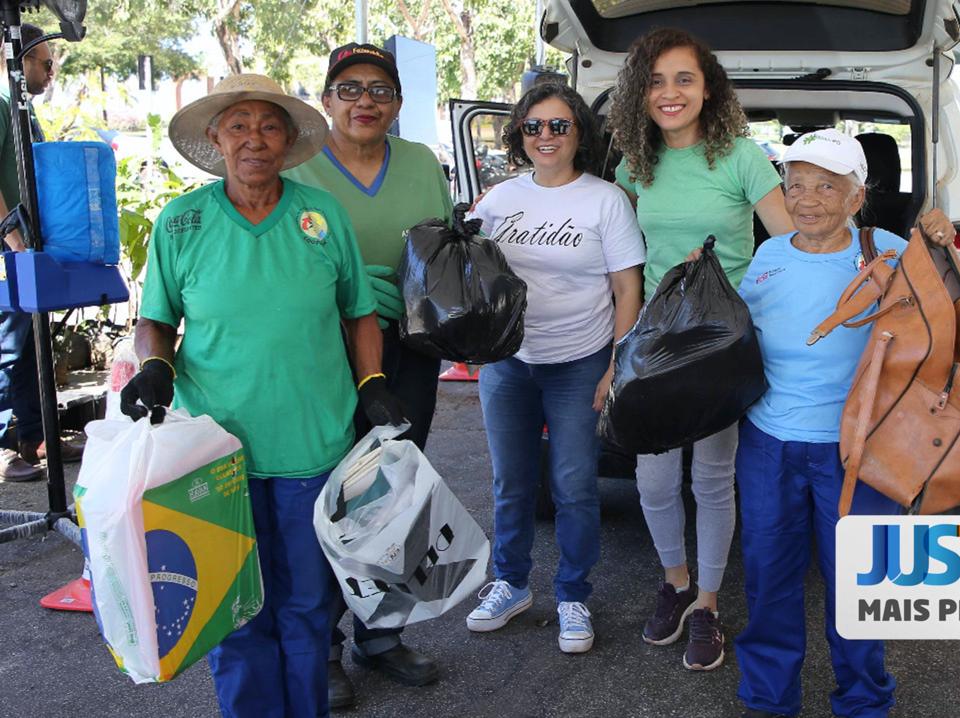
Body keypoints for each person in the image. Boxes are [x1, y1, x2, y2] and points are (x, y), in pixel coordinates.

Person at [120, 73, 402, 717]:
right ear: (216, 137)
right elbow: (155, 318)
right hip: (214, 455)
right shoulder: (181, 221)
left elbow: (359, 311)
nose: (255, 139)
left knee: (307, 605)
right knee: (234, 608)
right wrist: (155, 366)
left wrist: (372, 382)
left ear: (288, 140)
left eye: (270, 126)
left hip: (313, 443)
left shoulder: (321, 215)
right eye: (239, 126)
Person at [733, 129, 955, 718]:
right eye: (795, 185)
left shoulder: (888, 251)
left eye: (826, 187)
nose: (806, 199)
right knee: (768, 577)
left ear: (857, 197)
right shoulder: (769, 254)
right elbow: (739, 332)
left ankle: (863, 701)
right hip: (769, 441)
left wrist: (942, 245)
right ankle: (769, 699)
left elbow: (952, 315)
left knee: (860, 586)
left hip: (861, 447)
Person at [607, 27, 792, 671]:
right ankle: (676, 582)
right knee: (653, 478)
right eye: (656, 81)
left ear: (708, 88)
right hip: (657, 340)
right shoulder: (636, 164)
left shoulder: (742, 157)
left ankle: (708, 603)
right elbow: (623, 256)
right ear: (641, 93)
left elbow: (788, 246)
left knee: (712, 479)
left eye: (684, 78)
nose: (670, 93)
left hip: (719, 344)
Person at [282, 42, 451, 707]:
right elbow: (284, 260)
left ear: (398, 103)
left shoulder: (421, 162)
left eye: (380, 89)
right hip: (323, 352)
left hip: (409, 346)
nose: (365, 101)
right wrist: (348, 296)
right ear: (326, 100)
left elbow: (443, 243)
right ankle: (321, 646)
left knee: (393, 490)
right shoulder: (298, 167)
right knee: (330, 494)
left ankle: (381, 636)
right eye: (348, 89)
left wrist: (416, 294)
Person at [465, 81, 644, 654]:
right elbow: (470, 275)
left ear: (579, 133)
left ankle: (573, 594)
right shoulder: (497, 201)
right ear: (519, 134)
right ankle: (511, 583)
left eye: (559, 125)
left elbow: (627, 288)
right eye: (534, 125)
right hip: (508, 363)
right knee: (510, 482)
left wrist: (616, 364)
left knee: (573, 485)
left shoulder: (605, 200)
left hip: (579, 362)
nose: (546, 135)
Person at [0, 23, 83, 482]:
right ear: (18, 59)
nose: (51, 72)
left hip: (28, 244)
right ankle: (4, 447)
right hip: (8, 245)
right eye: (46, 62)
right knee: (8, 347)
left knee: (32, 341)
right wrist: (12, 237)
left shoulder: (22, 108)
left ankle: (35, 437)